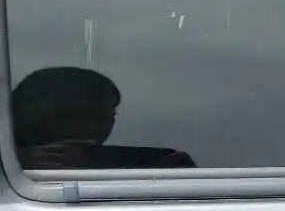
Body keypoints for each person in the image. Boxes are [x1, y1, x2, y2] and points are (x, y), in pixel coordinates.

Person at [11, 66, 196, 171]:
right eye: (82, 115)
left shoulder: (157, 165)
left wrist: (177, 177)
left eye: (108, 115)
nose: (98, 126)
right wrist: (18, 164)